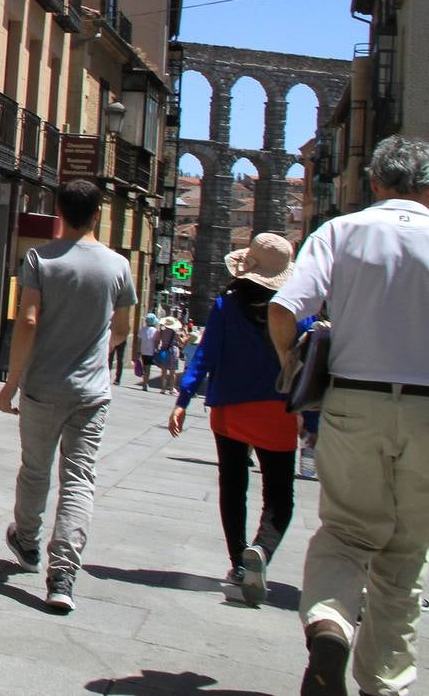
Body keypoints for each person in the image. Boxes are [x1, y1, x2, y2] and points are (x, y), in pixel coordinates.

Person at [268, 136, 429, 696]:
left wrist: (290, 367)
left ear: (373, 182)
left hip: (353, 402)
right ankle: (385, 685)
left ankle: (330, 625)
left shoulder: (341, 232)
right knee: (406, 553)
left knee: (345, 532)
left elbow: (284, 307)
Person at [0, 180, 136, 612]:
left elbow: (29, 320)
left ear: (59, 210)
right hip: (92, 391)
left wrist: (12, 381)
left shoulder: (41, 258)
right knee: (79, 480)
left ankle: (27, 540)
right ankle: (63, 575)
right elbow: (123, 329)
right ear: (99, 213)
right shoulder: (118, 266)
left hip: (43, 387)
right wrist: (95, 352)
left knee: (35, 471)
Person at [168, 233, 312, 608]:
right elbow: (309, 362)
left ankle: (237, 565)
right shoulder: (297, 310)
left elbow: (205, 354)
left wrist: (183, 397)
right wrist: (311, 418)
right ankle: (262, 549)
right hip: (277, 410)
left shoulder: (226, 304)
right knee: (279, 495)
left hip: (230, 407)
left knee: (233, 486)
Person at [156, 315, 184, 395]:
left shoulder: (162, 330)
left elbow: (159, 339)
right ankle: (171, 388)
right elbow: (181, 342)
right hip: (173, 351)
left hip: (164, 350)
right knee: (172, 372)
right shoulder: (176, 332)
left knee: (163, 371)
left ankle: (163, 388)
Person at [137, 313, 159, 390]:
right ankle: (145, 384)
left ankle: (144, 382)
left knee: (144, 368)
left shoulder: (142, 329)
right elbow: (156, 342)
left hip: (143, 351)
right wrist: (156, 349)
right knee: (147, 369)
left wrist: (138, 350)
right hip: (150, 351)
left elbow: (139, 341)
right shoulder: (155, 331)